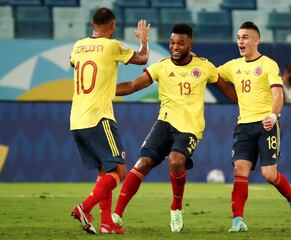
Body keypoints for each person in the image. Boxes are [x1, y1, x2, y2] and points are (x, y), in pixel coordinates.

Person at [111, 23, 237, 233]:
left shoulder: (204, 67)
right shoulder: (162, 66)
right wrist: (105, 91)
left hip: (190, 128)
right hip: (164, 123)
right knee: (142, 163)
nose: (175, 47)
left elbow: (228, 92)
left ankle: (176, 209)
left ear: (190, 44)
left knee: (176, 160)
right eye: (172, 43)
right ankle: (116, 215)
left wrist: (251, 104)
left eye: (180, 43)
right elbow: (133, 85)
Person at [217, 21, 291, 233]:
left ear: (256, 40)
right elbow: (211, 74)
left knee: (269, 175)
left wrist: (273, 115)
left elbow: (278, 95)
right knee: (240, 169)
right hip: (243, 126)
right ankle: (237, 220)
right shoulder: (232, 66)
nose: (241, 41)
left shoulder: (268, 64)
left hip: (266, 125)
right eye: (238, 37)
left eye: (245, 37)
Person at [69, 7, 150, 234]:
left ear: (92, 24)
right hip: (99, 117)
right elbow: (142, 58)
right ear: (113, 26)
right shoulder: (113, 46)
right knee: (119, 171)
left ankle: (107, 223)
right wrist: (143, 41)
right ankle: (84, 207)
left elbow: (74, 64)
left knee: (105, 171)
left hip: (77, 118)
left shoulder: (78, 46)